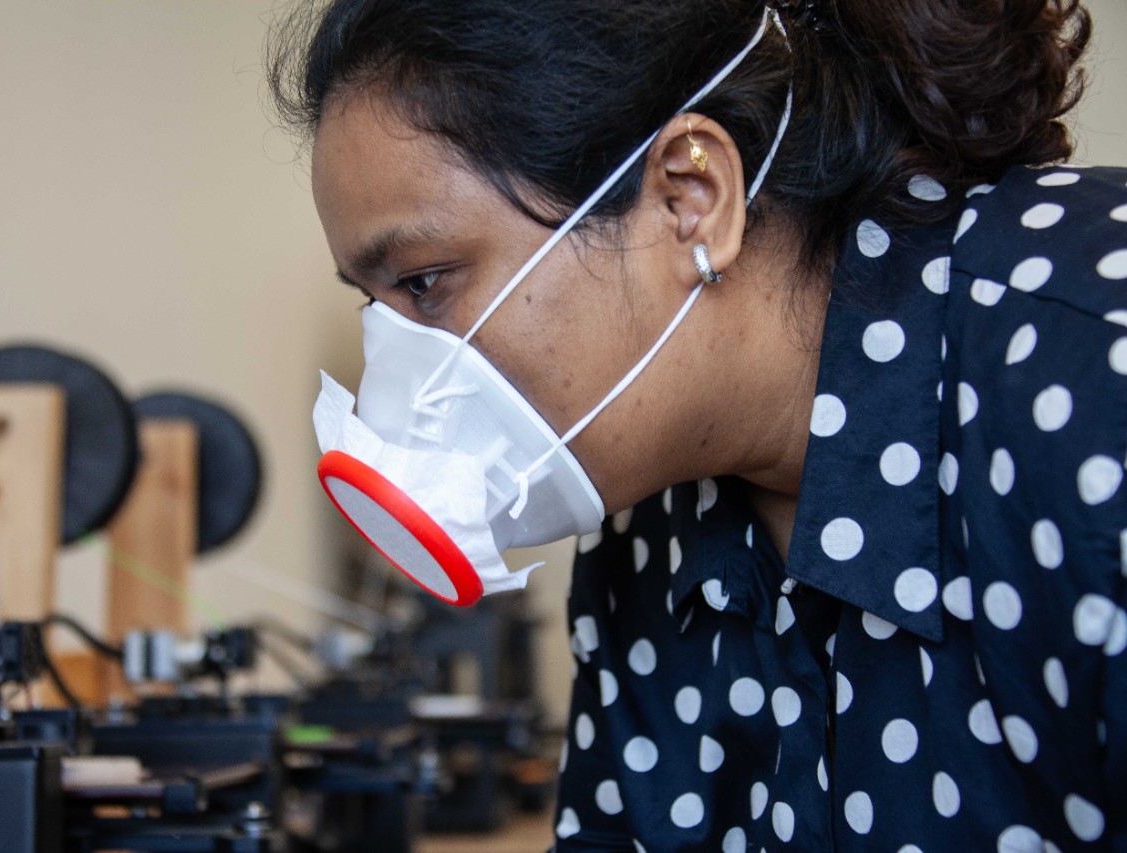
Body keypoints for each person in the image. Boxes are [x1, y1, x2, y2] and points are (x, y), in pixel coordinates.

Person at [269, 0, 1127, 848]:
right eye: (371, 306)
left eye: (424, 283)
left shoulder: (1091, 386)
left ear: (692, 197)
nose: (394, 379)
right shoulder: (645, 514)